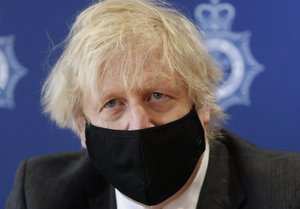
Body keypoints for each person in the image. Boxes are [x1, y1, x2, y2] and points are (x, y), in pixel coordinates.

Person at [6, 0, 300, 208]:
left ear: (201, 105)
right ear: (82, 127)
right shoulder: (39, 195)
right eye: (112, 104)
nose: (139, 123)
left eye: (156, 96)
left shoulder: (288, 190)